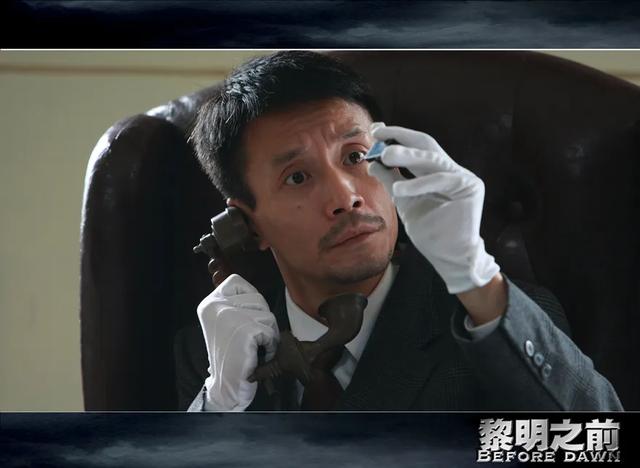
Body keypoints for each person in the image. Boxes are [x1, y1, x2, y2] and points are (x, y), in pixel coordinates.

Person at [179, 51, 622, 411]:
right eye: (297, 177)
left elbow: (596, 443)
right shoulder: (211, 351)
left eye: (356, 157)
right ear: (248, 224)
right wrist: (218, 407)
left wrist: (476, 277)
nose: (346, 197)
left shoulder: (499, 318)